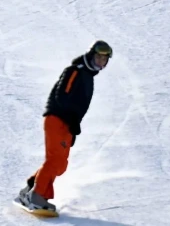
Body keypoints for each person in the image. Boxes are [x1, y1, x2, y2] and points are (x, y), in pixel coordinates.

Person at [16, 40, 113, 215]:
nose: (100, 62)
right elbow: (62, 96)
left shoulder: (88, 77)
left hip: (66, 123)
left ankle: (29, 190)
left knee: (60, 165)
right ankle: (36, 196)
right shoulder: (75, 71)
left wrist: (73, 126)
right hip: (57, 119)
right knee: (55, 161)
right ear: (91, 55)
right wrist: (71, 119)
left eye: (104, 59)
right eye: (98, 57)